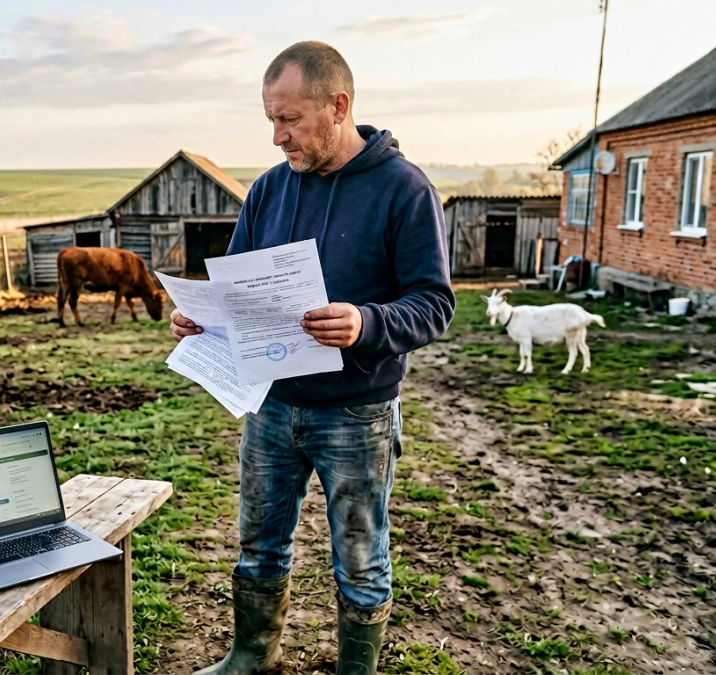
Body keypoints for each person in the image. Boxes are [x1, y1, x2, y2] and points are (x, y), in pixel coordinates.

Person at [172, 41, 454, 675]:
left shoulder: (403, 190)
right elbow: (234, 292)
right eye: (270, 119)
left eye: (290, 119)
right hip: (270, 408)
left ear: (339, 106)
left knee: (360, 556)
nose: (277, 137)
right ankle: (251, 655)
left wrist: (368, 322)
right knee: (258, 546)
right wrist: (201, 318)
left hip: (356, 415)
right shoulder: (269, 191)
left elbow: (434, 303)